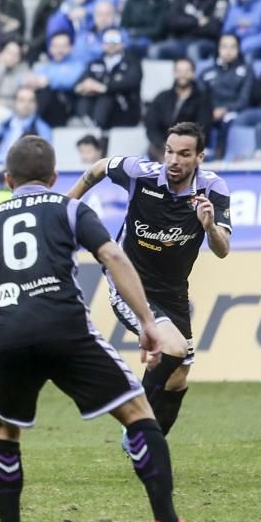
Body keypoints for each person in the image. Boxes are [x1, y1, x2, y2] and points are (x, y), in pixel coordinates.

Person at [0, 135, 219, 522]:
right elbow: (113, 255)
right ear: (54, 178)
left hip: (9, 335)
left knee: (4, 431)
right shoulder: (69, 207)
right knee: (137, 413)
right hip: (66, 328)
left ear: (7, 178)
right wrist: (147, 322)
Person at [67, 122, 232, 438]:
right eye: (170, 152)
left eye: (184, 154)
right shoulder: (139, 173)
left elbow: (222, 249)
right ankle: (139, 433)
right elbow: (100, 167)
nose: (174, 160)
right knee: (173, 346)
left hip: (173, 292)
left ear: (200, 156)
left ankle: (148, 441)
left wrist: (209, 227)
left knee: (178, 375)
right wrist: (67, 203)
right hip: (128, 282)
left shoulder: (213, 189)